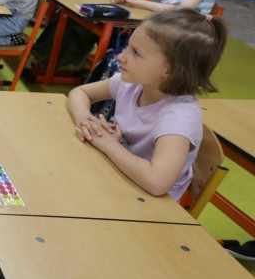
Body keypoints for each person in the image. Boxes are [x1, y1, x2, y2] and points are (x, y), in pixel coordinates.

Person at [67, 10, 227, 200]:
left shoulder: (178, 116)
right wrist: (85, 120)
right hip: (120, 175)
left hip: (148, 203)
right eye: (128, 47)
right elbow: (80, 92)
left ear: (169, 70)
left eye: (135, 53)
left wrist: (110, 146)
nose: (121, 57)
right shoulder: (132, 83)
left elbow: (157, 182)